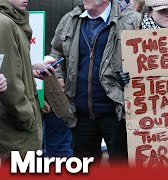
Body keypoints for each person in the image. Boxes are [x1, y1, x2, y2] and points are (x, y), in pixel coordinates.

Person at [50, 0, 139, 165]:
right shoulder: (71, 19)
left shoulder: (131, 20)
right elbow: (56, 50)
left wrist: (131, 76)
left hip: (117, 113)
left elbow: (145, 57)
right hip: (81, 114)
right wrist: (58, 75)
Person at [0, 0, 56, 162]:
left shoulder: (10, 21)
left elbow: (10, 67)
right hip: (14, 128)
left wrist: (30, 70)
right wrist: (27, 116)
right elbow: (8, 80)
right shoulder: (4, 24)